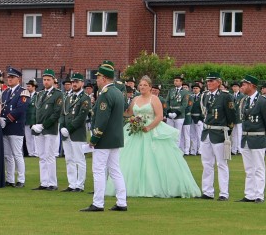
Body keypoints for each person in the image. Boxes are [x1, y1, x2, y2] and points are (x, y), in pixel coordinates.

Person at [113, 76, 201, 199]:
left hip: (151, 130)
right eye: (141, 85)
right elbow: (129, 113)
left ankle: (158, 186)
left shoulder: (154, 99)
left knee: (154, 158)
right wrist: (116, 109)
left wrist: (149, 127)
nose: (142, 87)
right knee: (133, 158)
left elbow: (159, 116)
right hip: (136, 131)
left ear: (150, 87)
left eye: (145, 85)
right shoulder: (136, 99)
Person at [81, 62, 127, 212]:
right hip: (115, 138)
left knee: (99, 170)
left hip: (104, 139)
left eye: (98, 77)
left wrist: (94, 138)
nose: (97, 80)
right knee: (115, 170)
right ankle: (121, 202)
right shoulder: (118, 92)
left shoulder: (106, 94)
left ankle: (98, 202)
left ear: (104, 78)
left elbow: (102, 120)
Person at [237, 75, 266, 203]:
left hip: (258, 137)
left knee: (258, 168)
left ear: (251, 85)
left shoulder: (263, 101)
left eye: (244, 85)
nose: (242, 87)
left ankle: (259, 195)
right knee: (249, 169)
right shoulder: (244, 100)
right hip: (246, 137)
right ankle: (249, 194)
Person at [198, 74, 236, 200]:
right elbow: (204, 113)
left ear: (219, 83)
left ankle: (224, 193)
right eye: (208, 81)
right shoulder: (205, 95)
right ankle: (207, 191)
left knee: (222, 164)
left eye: (212, 81)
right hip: (207, 132)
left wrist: (228, 131)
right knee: (207, 163)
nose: (209, 83)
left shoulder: (225, 96)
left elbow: (231, 115)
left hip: (219, 132)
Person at [31, 69, 64, 190]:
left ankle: (52, 183)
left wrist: (43, 125)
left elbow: (56, 113)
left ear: (53, 80)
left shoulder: (58, 94)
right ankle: (44, 182)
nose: (46, 82)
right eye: (44, 79)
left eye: (48, 80)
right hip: (38, 129)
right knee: (42, 156)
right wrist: (33, 124)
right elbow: (35, 110)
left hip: (49, 129)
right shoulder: (39, 94)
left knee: (50, 156)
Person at [60, 72, 91, 193]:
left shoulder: (85, 98)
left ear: (82, 83)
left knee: (79, 159)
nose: (74, 84)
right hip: (66, 133)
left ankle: (80, 185)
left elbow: (81, 117)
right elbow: (63, 113)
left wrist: (69, 128)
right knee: (69, 159)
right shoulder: (68, 97)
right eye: (73, 82)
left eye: (76, 82)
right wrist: (62, 127)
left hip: (77, 133)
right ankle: (72, 184)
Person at [0, 67, 27, 187]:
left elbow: (21, 109)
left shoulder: (23, 92)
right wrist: (1, 118)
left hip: (15, 127)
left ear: (18, 79)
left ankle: (21, 179)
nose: (9, 79)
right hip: (6, 127)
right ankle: (10, 179)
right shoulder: (6, 92)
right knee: (7, 155)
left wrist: (7, 119)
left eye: (12, 77)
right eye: (8, 77)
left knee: (17, 154)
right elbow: (2, 107)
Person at [23, 79, 38, 156]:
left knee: (35, 137)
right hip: (27, 119)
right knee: (28, 137)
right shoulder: (25, 96)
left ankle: (36, 152)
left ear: (34, 87)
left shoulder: (38, 95)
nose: (27, 88)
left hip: (34, 119)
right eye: (27, 86)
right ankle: (30, 152)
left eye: (29, 86)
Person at [229, 81, 244, 156]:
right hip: (232, 117)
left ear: (239, 87)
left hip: (239, 117)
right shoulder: (231, 96)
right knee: (233, 134)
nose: (234, 88)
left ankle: (240, 149)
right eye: (233, 86)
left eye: (236, 86)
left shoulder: (242, 96)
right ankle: (233, 149)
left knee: (239, 133)